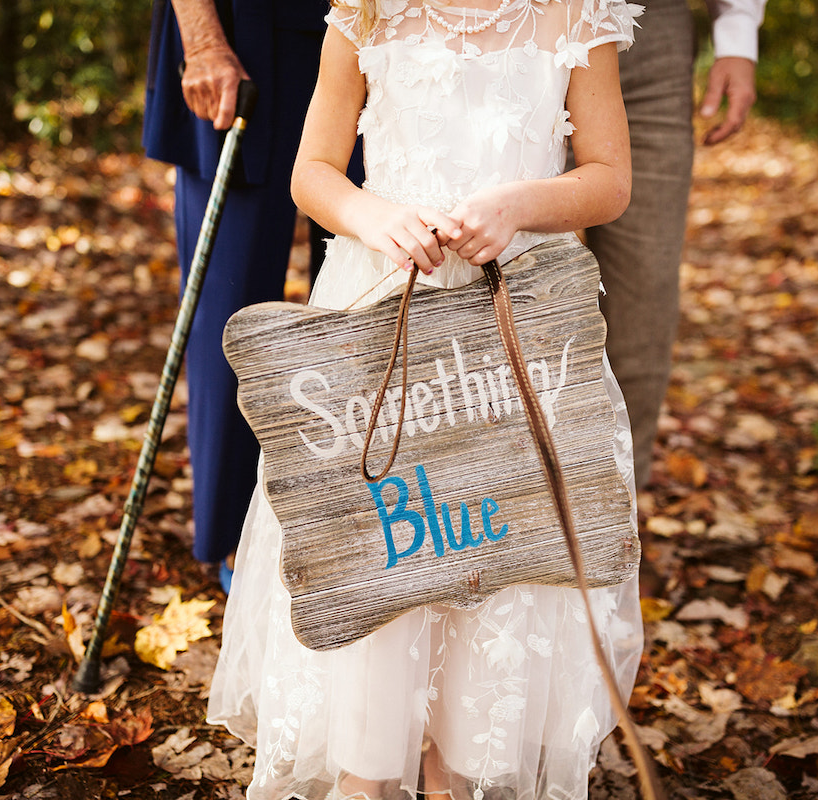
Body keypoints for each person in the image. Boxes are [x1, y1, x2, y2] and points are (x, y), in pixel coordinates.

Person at [207, 3, 645, 800]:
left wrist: (518, 207)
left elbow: (610, 179)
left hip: (512, 330)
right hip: (381, 317)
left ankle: (458, 770)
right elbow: (314, 171)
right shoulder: (367, 14)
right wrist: (376, 216)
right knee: (389, 536)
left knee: (496, 543)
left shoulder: (576, 17)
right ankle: (368, 771)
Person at [143, 0, 349, 588]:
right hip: (237, 31)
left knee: (366, 296)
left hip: (376, 24)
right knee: (230, 310)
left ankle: (352, 526)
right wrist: (203, 39)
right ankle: (234, 541)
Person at [589, 0, 766, 490]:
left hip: (649, 27)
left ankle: (621, 524)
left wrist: (737, 27)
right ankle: (493, 521)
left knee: (644, 290)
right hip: (505, 24)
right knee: (496, 273)